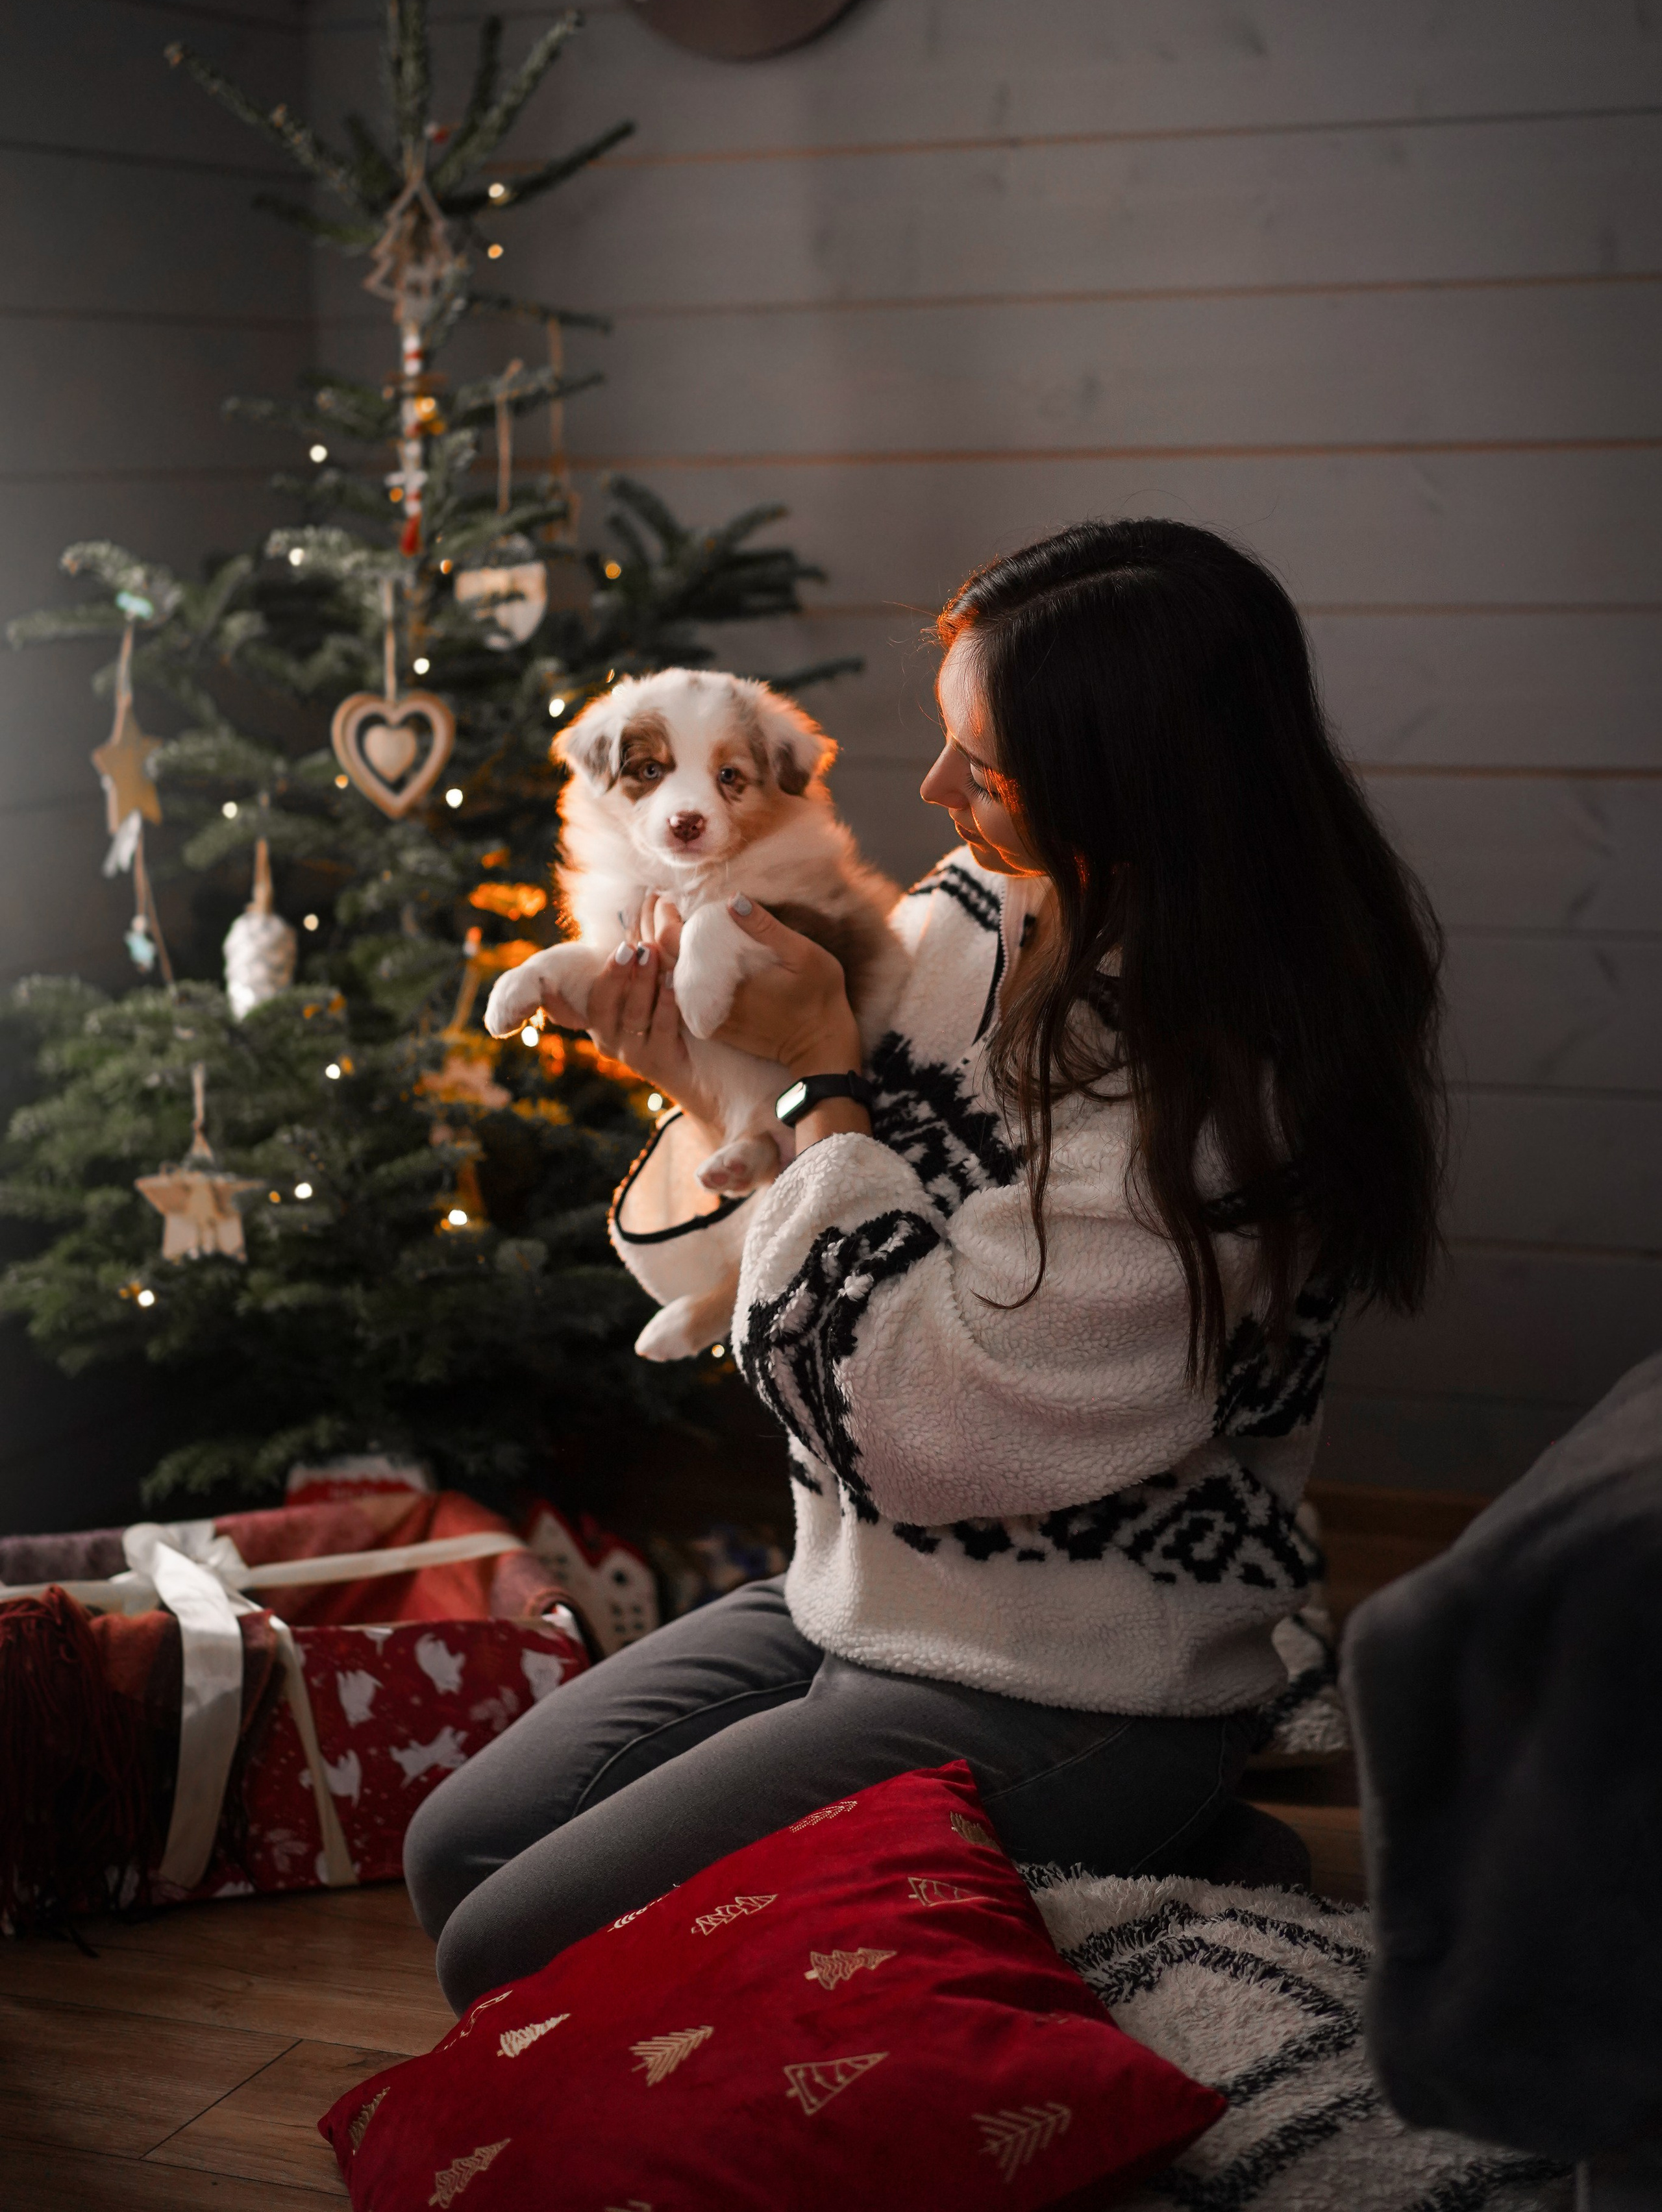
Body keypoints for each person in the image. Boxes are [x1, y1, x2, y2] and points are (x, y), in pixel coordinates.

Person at [406, 517, 1445, 2011]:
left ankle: (1140, 1823)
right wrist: (719, 1098)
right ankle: (1160, 1860)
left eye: (989, 767)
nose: (933, 791)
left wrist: (821, 1077)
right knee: (460, 1856)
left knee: (514, 1952)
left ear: (1128, 788)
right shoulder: (971, 913)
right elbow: (749, 1258)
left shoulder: (1229, 1095)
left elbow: (920, 1428)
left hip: (1074, 1668)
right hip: (856, 1593)